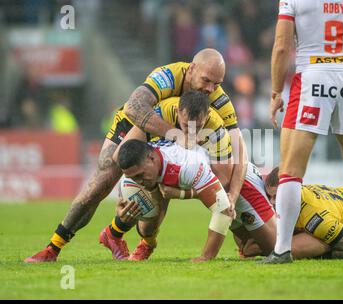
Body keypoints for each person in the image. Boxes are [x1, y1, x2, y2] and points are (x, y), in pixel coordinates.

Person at [25, 48, 248, 263]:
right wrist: (175, 134)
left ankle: (128, 237)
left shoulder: (218, 99)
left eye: (217, 83)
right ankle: (53, 247)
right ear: (191, 69)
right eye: (206, 80)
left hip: (174, 136)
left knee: (168, 183)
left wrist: (234, 194)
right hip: (138, 125)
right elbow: (133, 106)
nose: (210, 89)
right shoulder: (167, 76)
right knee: (103, 180)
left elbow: (239, 149)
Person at [264, 0, 343, 263]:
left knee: (290, 171)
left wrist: (275, 92)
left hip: (311, 78)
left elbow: (282, 47)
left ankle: (282, 249)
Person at [99, 92, 275, 260]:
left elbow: (224, 187)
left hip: (239, 183)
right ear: (177, 113)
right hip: (197, 176)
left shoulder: (215, 132)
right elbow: (123, 157)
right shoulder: (163, 113)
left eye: (197, 127)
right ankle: (141, 241)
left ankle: (291, 216)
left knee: (275, 248)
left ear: (206, 117)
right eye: (186, 125)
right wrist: (124, 199)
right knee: (248, 247)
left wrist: (182, 193)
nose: (191, 133)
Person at [115, 139, 234, 262]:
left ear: (152, 159)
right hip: (170, 175)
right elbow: (126, 188)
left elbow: (223, 209)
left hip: (224, 176)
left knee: (249, 247)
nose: (138, 181)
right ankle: (146, 243)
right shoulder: (139, 163)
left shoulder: (189, 165)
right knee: (146, 228)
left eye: (140, 175)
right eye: (133, 178)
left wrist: (206, 257)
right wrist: (121, 211)